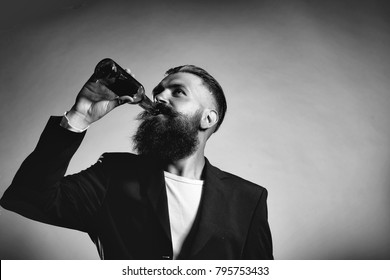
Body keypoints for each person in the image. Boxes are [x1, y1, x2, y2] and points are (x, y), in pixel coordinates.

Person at [0, 63, 273, 260]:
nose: (159, 98)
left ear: (208, 119)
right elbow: (27, 198)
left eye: (178, 92)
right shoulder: (113, 175)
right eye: (158, 92)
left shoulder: (249, 199)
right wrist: (80, 116)